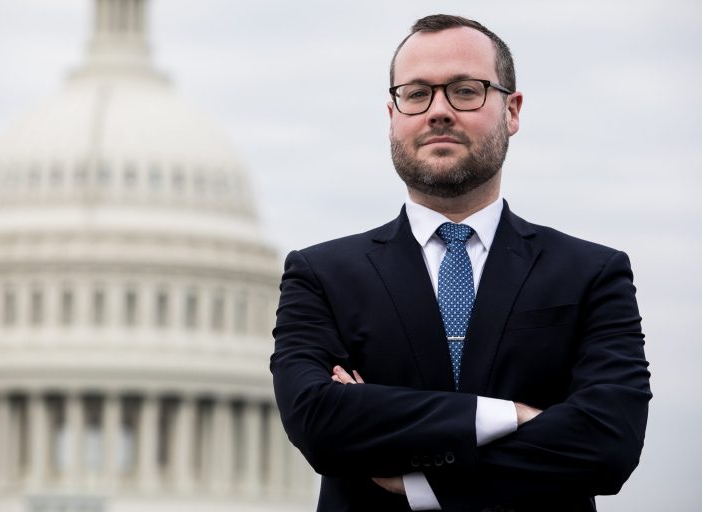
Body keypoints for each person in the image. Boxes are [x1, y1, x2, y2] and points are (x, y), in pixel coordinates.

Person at [270, 14, 650, 512]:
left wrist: (420, 480)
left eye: (466, 91)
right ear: (392, 115)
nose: (438, 111)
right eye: (417, 93)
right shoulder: (320, 276)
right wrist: (515, 415)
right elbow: (319, 422)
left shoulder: (592, 274)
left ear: (512, 111)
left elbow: (608, 444)